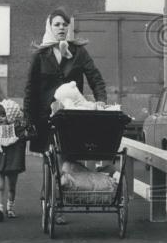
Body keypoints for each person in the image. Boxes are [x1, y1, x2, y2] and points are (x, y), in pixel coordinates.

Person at [23, 9, 107, 153]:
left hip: (72, 115)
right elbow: (30, 88)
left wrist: (101, 100)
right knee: (49, 161)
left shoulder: (79, 52)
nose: (61, 27)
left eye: (65, 24)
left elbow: (95, 77)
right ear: (50, 28)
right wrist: (29, 120)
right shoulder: (40, 55)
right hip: (45, 117)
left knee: (70, 158)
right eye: (57, 24)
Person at [0, 99, 26, 221]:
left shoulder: (17, 130)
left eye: (3, 115)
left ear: (10, 116)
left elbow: (27, 135)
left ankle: (10, 208)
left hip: (12, 163)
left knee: (11, 187)